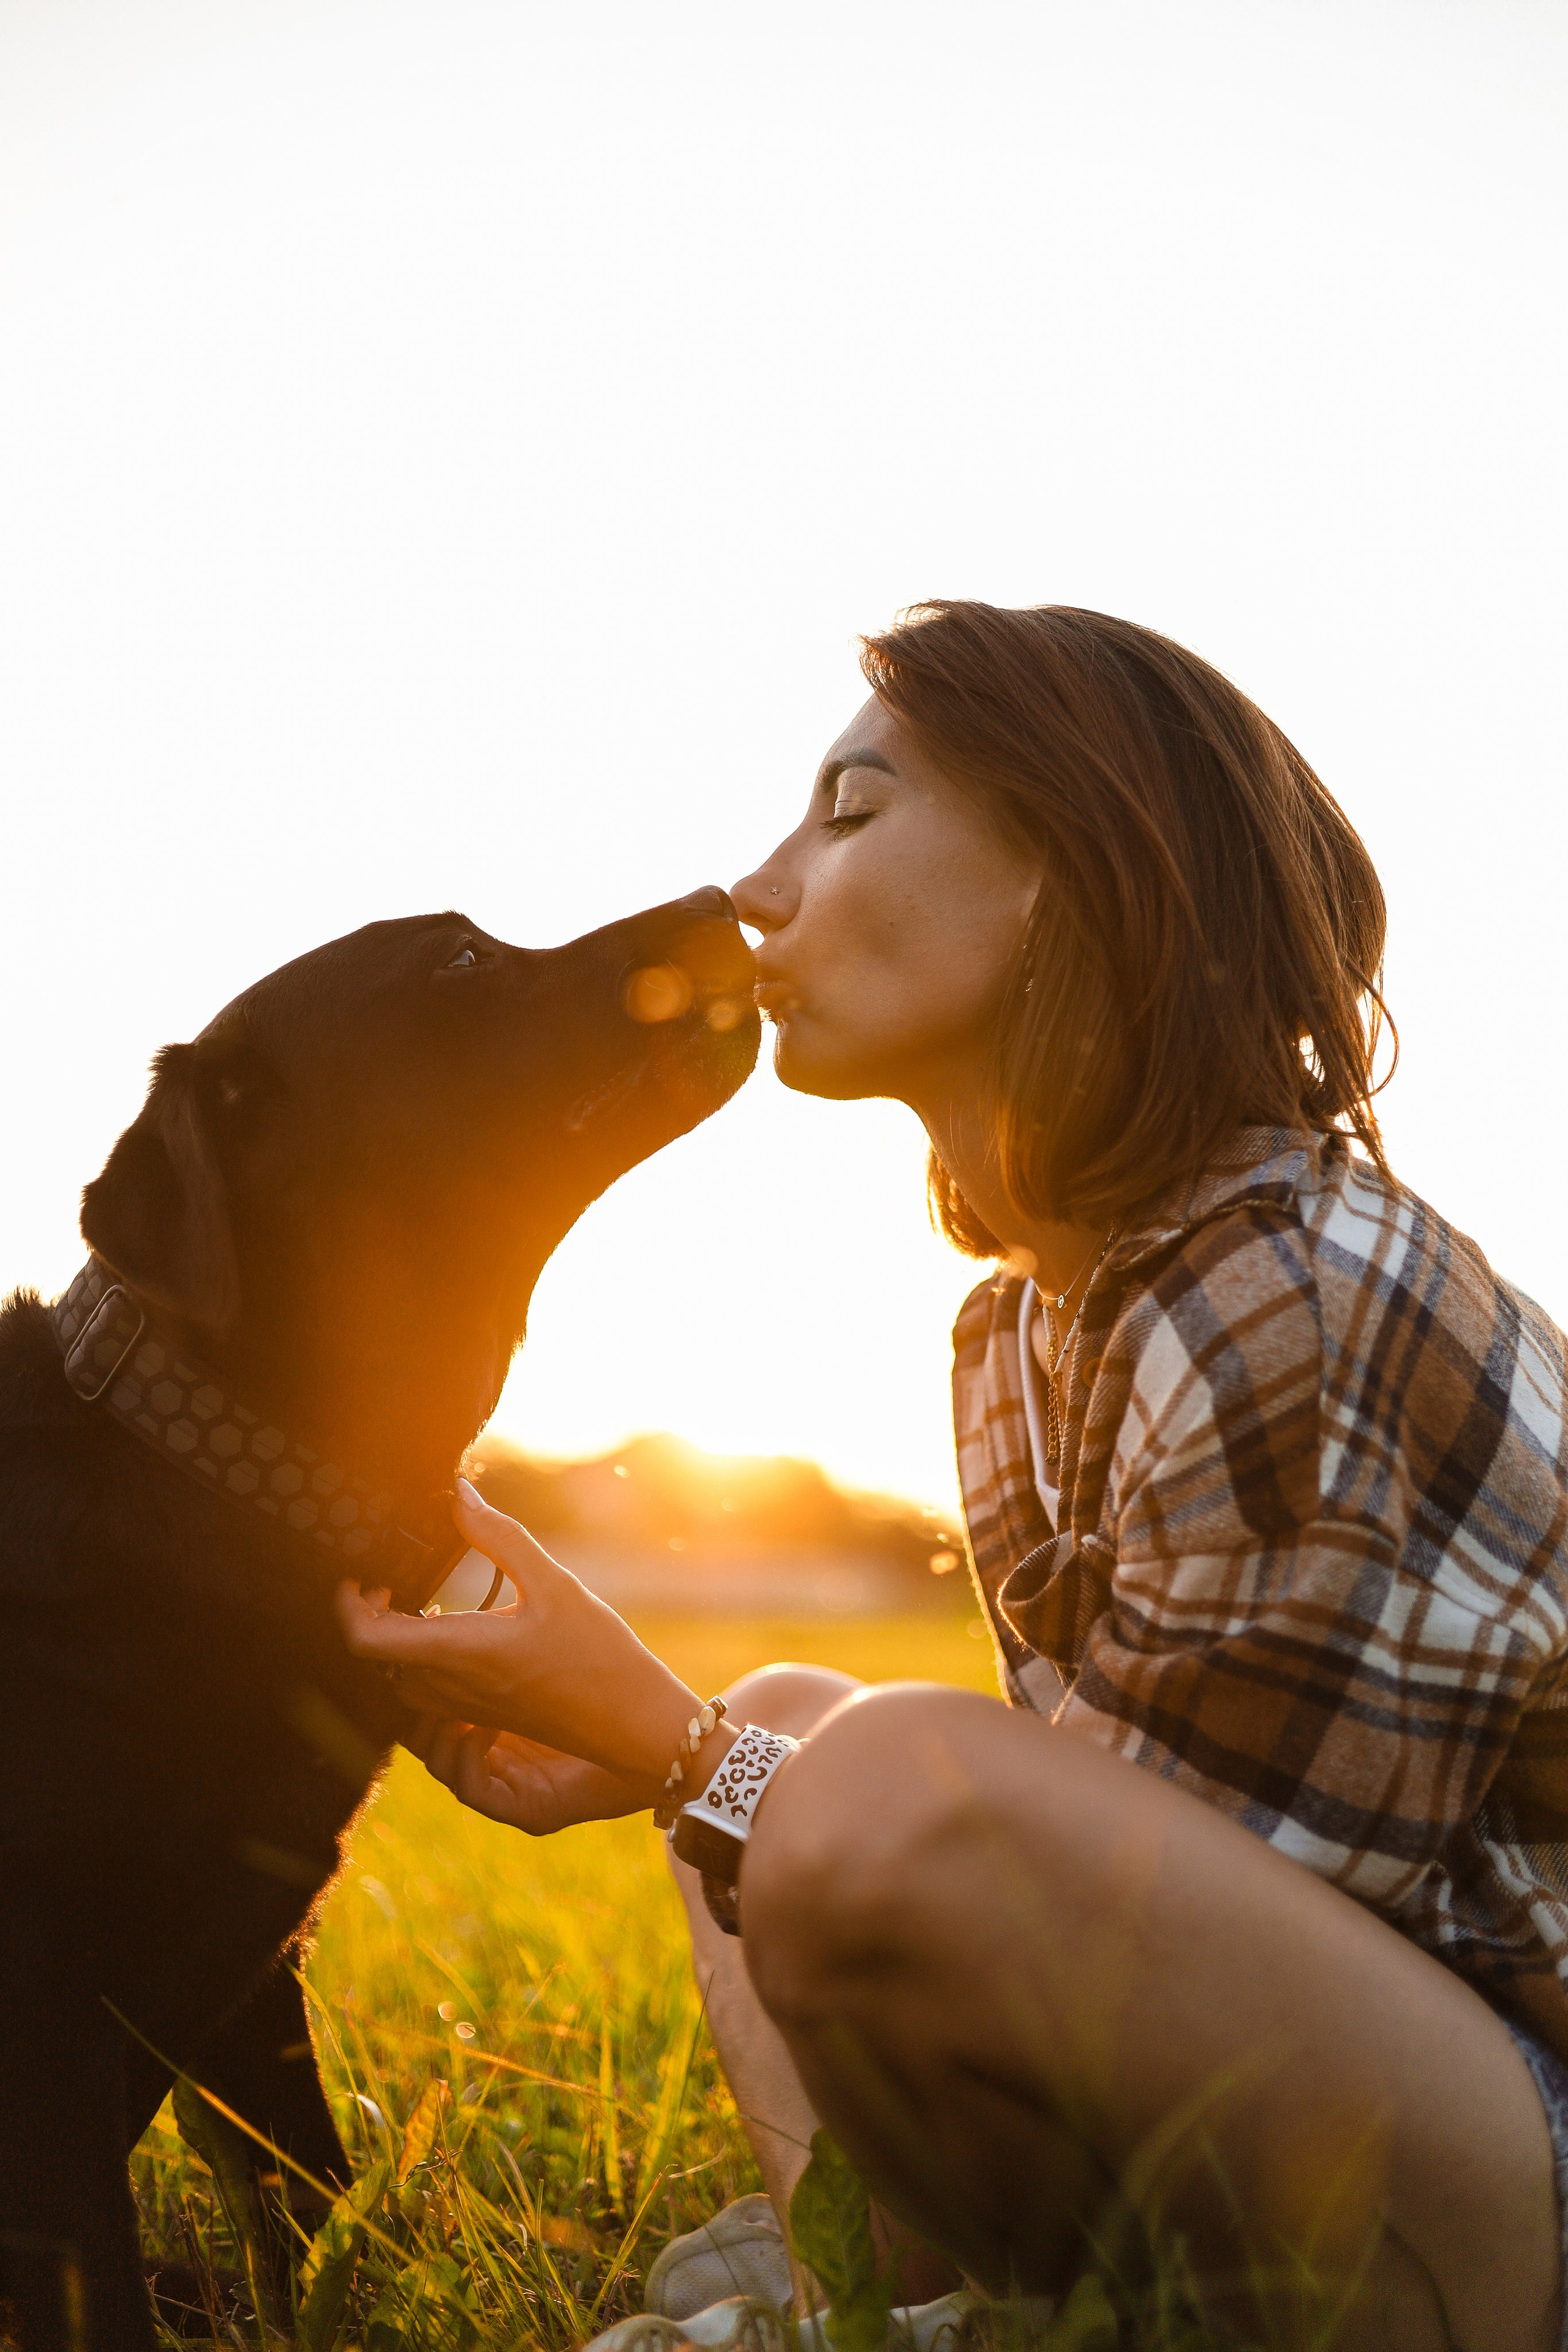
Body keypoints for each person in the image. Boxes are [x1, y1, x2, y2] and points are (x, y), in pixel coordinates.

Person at [337, 603, 1568, 2352]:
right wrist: (711, 1749)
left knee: (839, 1777)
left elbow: (1160, 1938)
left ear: (1064, 871)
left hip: (1520, 2168)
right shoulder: (1030, 1334)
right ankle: (872, 2311)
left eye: (848, 811)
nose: (761, 889)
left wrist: (666, 1741)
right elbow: (1094, 1894)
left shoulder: (1293, 1299)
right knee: (790, 1728)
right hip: (1372, 2113)